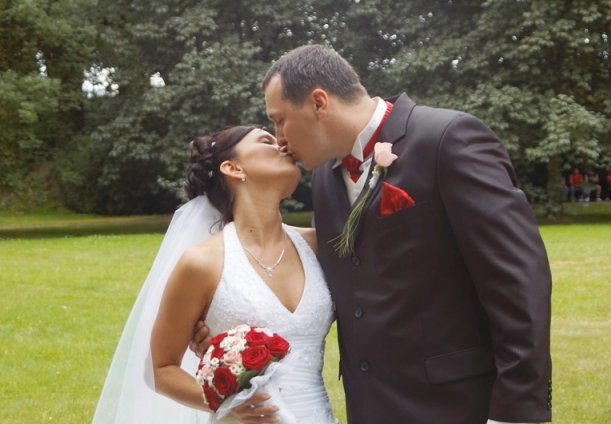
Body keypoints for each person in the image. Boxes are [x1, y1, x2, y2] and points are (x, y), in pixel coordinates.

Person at [194, 45, 552, 424]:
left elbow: (518, 280)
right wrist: (226, 337)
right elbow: (333, 275)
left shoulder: (447, 139)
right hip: (370, 407)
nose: (279, 139)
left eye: (280, 120)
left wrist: (516, 414)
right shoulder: (324, 180)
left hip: (459, 405)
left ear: (319, 103)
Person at [93, 126, 338, 423]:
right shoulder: (202, 263)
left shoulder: (318, 246)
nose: (283, 145)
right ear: (233, 168)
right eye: (266, 141)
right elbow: (159, 369)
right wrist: (224, 403)